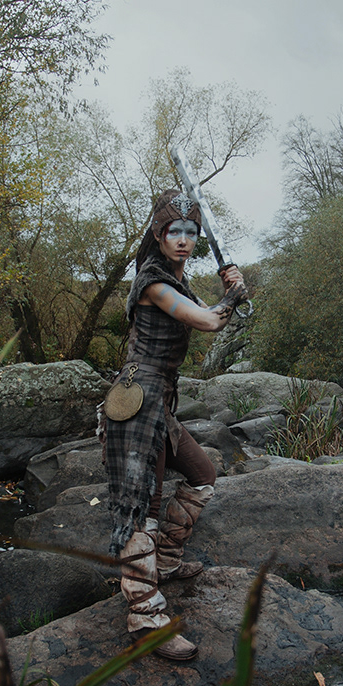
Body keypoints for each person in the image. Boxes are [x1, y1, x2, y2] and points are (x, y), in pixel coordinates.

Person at [102, 189, 246, 661]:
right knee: (143, 502)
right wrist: (231, 297)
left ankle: (163, 561)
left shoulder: (179, 282)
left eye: (190, 232)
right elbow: (208, 321)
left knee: (203, 475)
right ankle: (145, 616)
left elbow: (220, 318)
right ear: (158, 236)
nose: (182, 239)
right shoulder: (151, 282)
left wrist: (232, 290)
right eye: (173, 232)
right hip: (137, 399)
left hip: (158, 399)